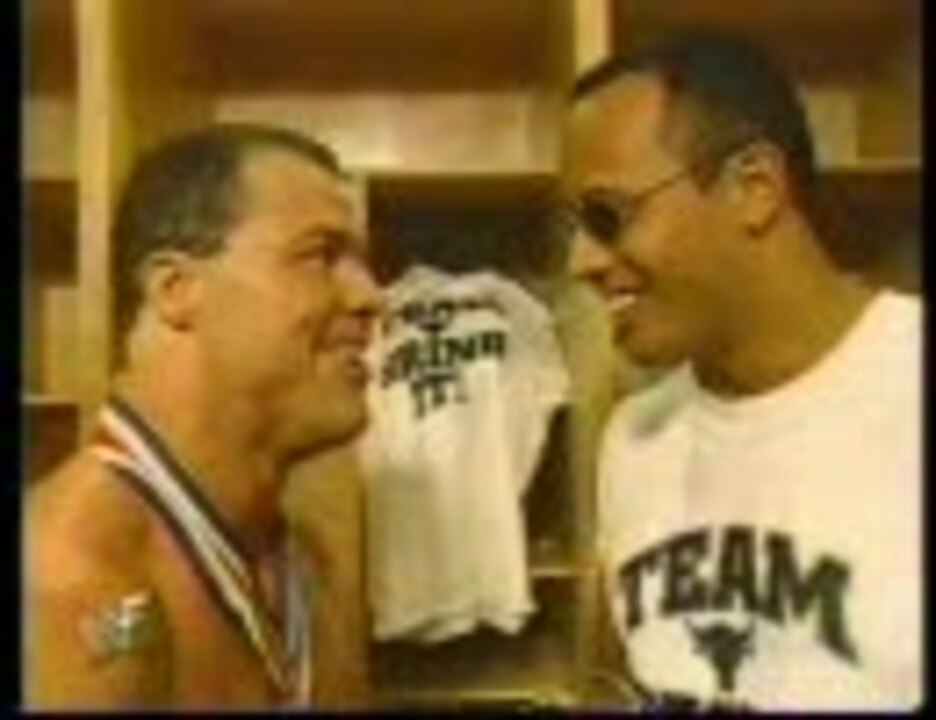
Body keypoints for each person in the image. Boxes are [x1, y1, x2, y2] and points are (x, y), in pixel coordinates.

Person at [563, 30, 922, 710]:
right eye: (573, 228)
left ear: (754, 188)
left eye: (606, 216)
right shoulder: (634, 436)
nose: (580, 261)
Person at [24, 123, 382, 709]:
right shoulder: (68, 583)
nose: (370, 297)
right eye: (320, 255)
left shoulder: (304, 559)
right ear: (175, 289)